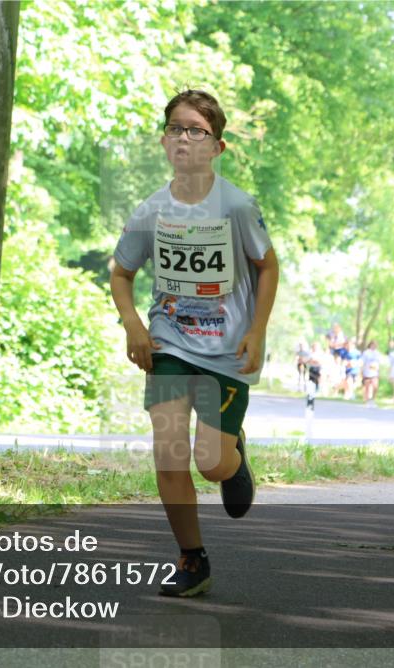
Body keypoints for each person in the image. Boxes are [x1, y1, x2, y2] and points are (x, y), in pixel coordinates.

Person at [110, 89, 279, 597]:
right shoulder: (151, 211)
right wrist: (134, 325)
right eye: (175, 129)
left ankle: (235, 456)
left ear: (217, 146)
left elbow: (267, 266)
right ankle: (192, 558)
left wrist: (258, 328)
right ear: (164, 140)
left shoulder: (237, 206)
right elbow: (122, 273)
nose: (184, 138)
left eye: (197, 131)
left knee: (210, 463)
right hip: (169, 345)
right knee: (167, 452)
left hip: (227, 351)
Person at [360, 341, 381, 407]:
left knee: (375, 386)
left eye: (376, 345)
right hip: (367, 372)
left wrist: (378, 372)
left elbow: (378, 363)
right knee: (367, 387)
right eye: (373, 344)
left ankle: (372, 400)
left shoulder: (377, 353)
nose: (374, 346)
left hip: (375, 372)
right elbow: (362, 362)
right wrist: (362, 372)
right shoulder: (366, 353)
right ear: (370, 345)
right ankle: (366, 401)